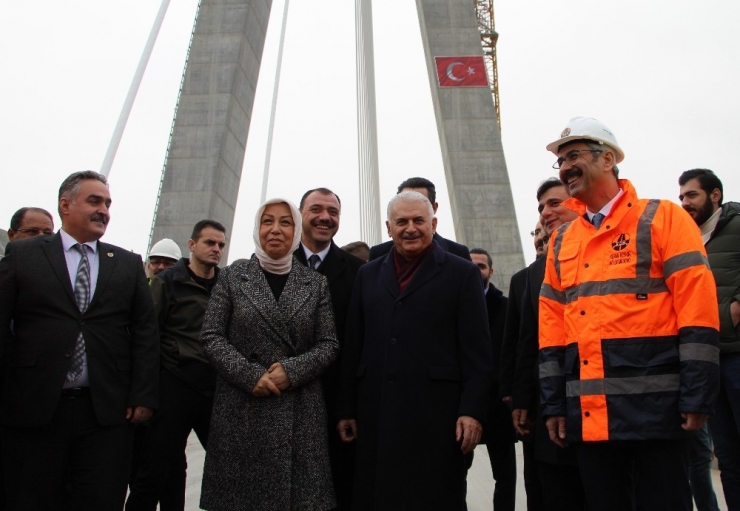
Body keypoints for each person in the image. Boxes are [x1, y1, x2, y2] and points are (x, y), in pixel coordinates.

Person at [539, 117, 720, 511]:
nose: (566, 167)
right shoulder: (562, 241)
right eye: (561, 161)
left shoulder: (664, 219)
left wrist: (697, 394)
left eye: (574, 156)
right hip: (590, 419)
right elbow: (551, 330)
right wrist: (554, 405)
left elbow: (697, 309)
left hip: (657, 413)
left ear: (607, 159)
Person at [0, 170, 159, 511]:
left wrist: (142, 394)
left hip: (105, 412)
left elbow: (145, 333)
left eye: (108, 203)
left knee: (99, 499)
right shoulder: (23, 256)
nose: (104, 210)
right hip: (36, 407)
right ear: (65, 205)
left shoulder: (127, 264)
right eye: (94, 201)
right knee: (30, 497)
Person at [337, 191, 491, 511]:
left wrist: (472, 410)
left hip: (438, 416)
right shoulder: (368, 274)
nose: (411, 228)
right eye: (401, 222)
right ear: (388, 227)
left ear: (433, 224)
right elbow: (354, 345)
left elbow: (477, 352)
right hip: (376, 412)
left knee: (436, 496)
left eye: (419, 221)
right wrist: (347, 408)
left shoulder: (462, 273)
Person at [199, 198, 338, 511]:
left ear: (297, 231)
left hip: (300, 412)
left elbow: (328, 343)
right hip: (241, 407)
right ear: (257, 228)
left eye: (285, 222)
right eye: (267, 221)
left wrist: (292, 371)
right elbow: (211, 336)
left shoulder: (315, 284)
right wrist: (251, 376)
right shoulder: (233, 277)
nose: (276, 230)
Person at [126, 220, 226, 511]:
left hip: (213, 389)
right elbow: (147, 336)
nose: (216, 249)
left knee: (229, 467)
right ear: (192, 245)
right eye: (209, 243)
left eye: (221, 244)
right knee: (155, 471)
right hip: (175, 386)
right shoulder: (168, 283)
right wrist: (144, 392)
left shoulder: (227, 286)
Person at [511, 178, 585, 511]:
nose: (545, 212)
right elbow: (529, 339)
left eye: (554, 203)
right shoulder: (537, 272)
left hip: (603, 406)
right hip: (551, 405)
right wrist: (522, 399)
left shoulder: (610, 254)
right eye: (541, 207)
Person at [294, 187, 365, 510]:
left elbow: (358, 346)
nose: (325, 217)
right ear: (301, 215)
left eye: (333, 212)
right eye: (316, 210)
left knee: (339, 491)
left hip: (336, 407)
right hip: (283, 402)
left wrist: (347, 407)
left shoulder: (358, 272)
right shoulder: (272, 264)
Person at [679, 168, 740, 510]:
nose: (685, 202)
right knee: (728, 459)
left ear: (714, 195)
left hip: (737, 353)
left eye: (691, 195)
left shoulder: (737, 224)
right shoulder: (687, 237)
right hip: (711, 360)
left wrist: (734, 309)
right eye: (682, 196)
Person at [498, 219, 551, 511]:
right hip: (536, 395)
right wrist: (515, 394)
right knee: (539, 483)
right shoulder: (523, 280)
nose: (541, 242)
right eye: (537, 237)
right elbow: (518, 342)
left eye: (546, 237)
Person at [468, 248, 516, 511]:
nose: (477, 271)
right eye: (471, 266)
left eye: (482, 266)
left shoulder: (507, 307)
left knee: (505, 474)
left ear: (491, 271)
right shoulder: (453, 305)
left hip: (498, 404)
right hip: (464, 405)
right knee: (456, 473)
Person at [368, 177, 471, 261]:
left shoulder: (459, 253)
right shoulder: (378, 254)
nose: (411, 229)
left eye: (421, 201)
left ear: (434, 208)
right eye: (406, 199)